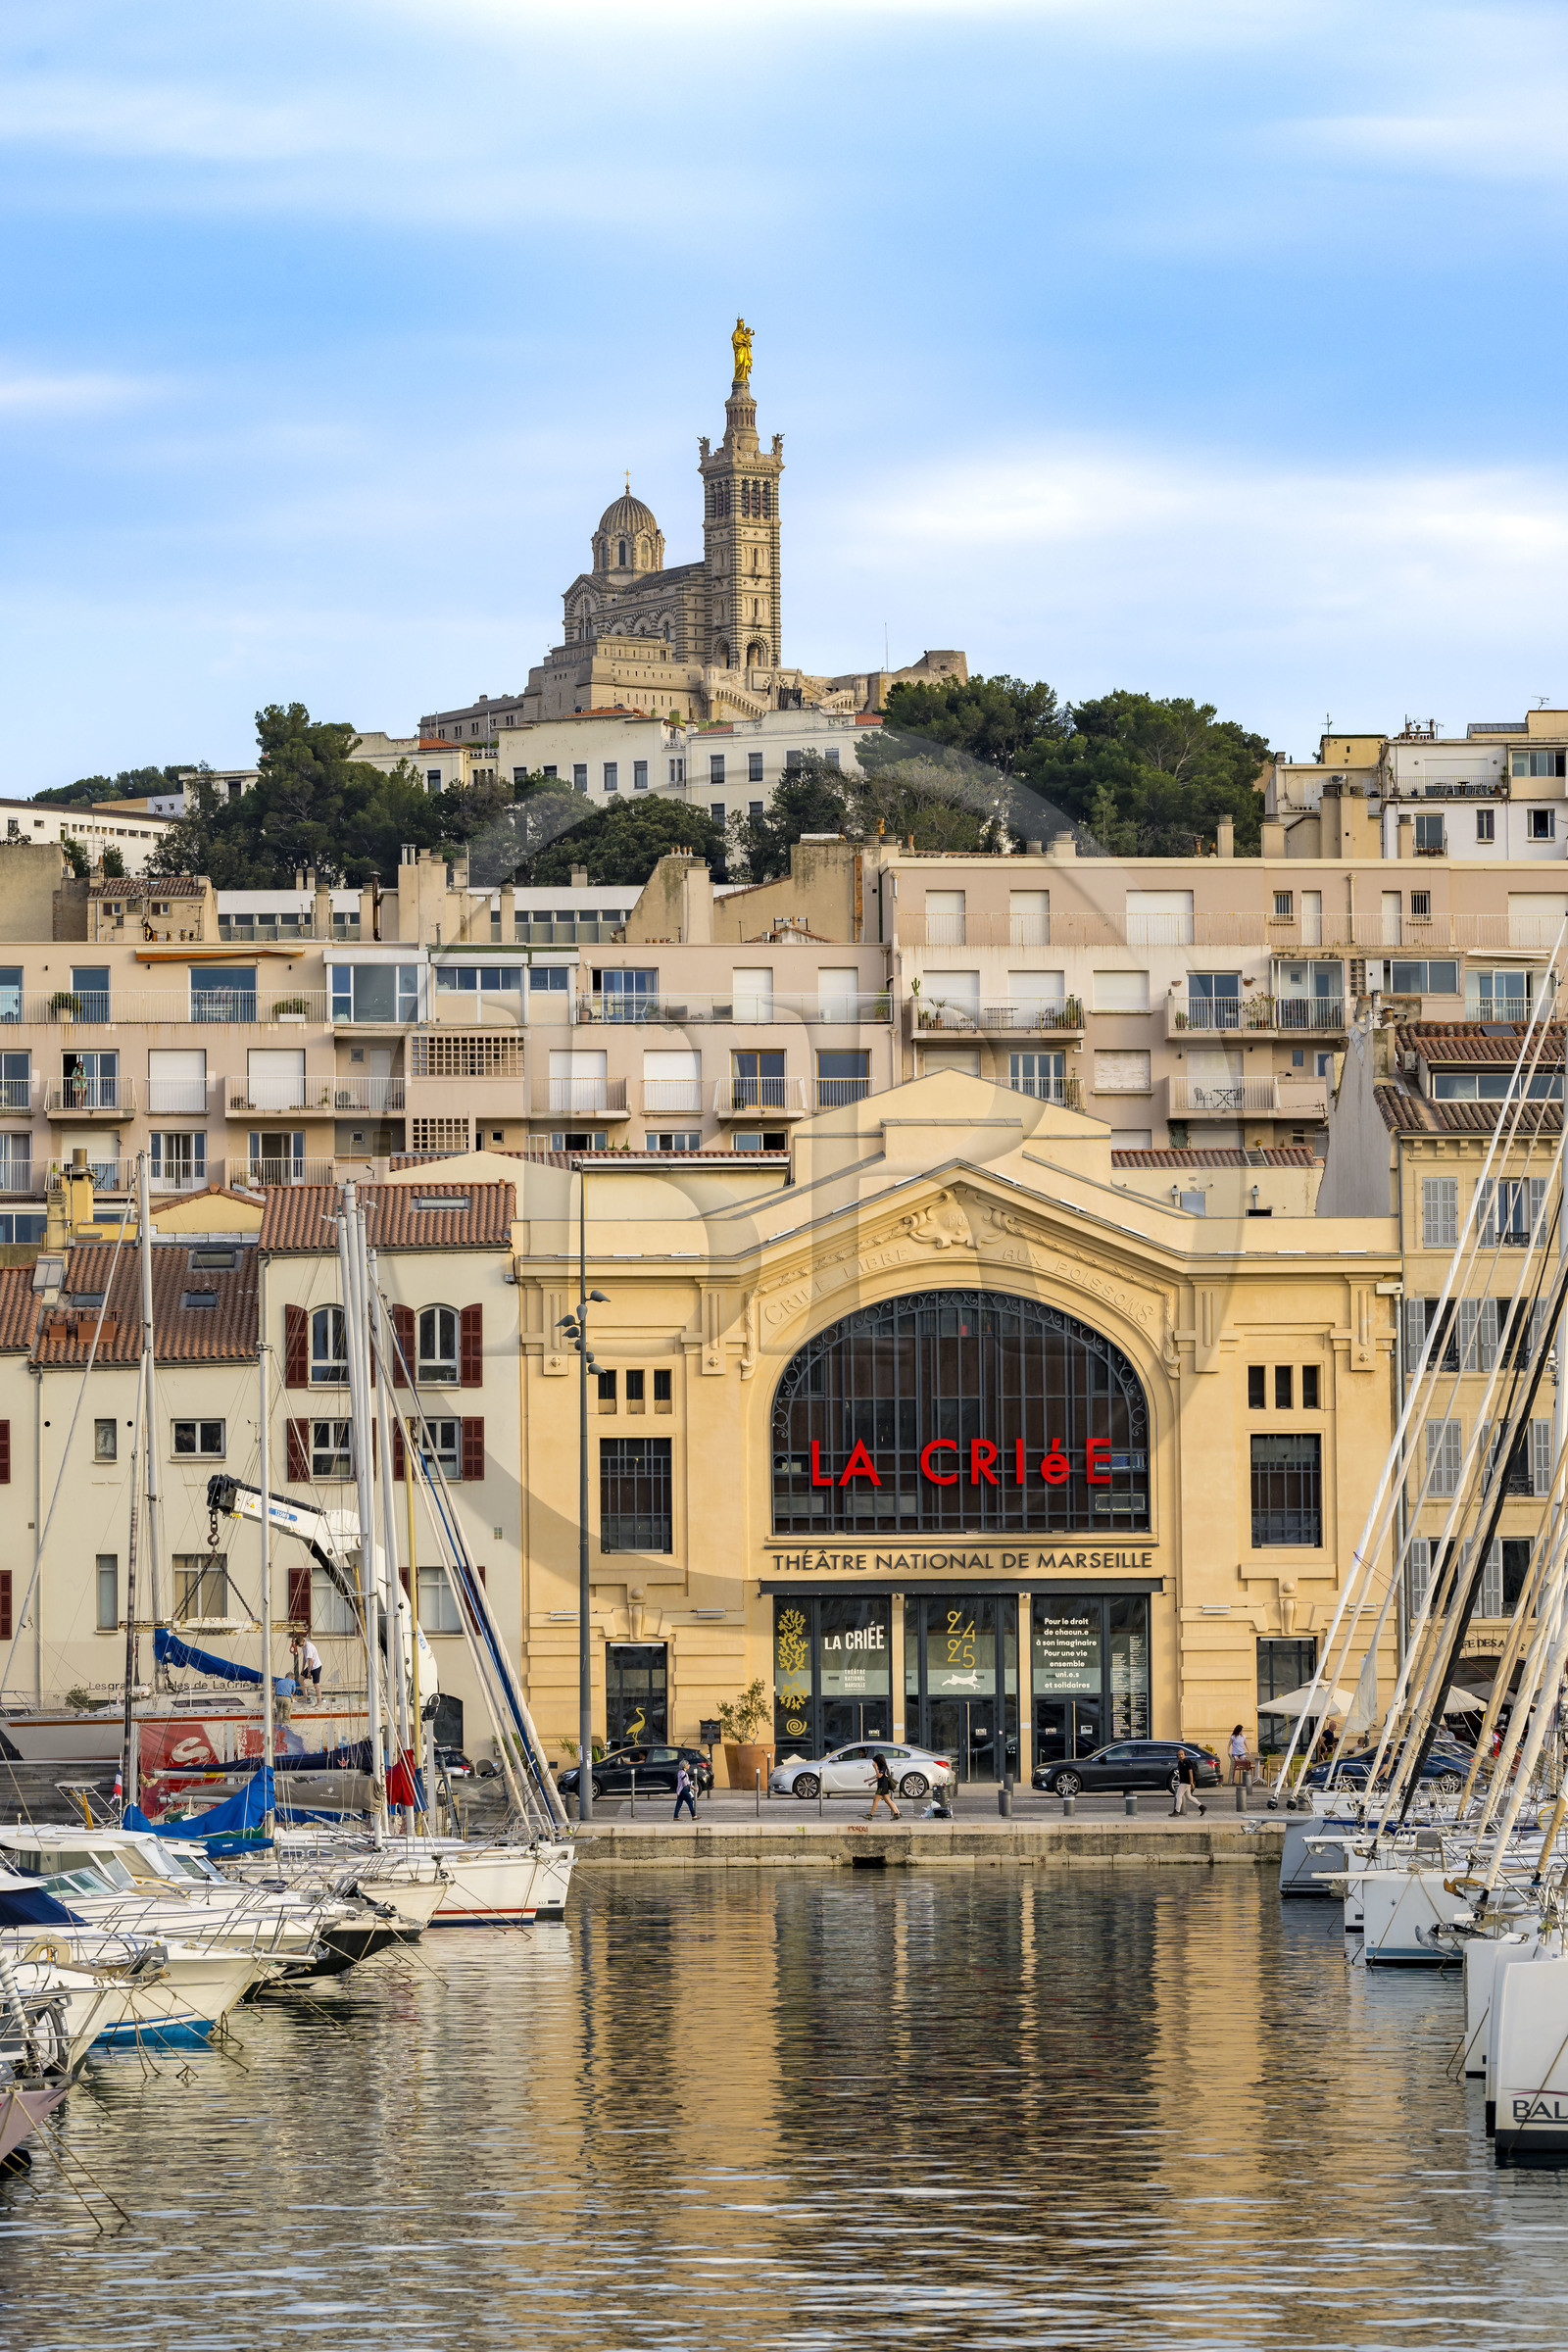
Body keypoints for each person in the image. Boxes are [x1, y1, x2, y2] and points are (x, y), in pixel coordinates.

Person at [1170, 1747, 1206, 1818]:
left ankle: (1176, 1811)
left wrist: (1191, 1782)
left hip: (1186, 1782)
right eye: (1179, 1755)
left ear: (1184, 1755)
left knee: (1178, 1795)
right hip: (1183, 1781)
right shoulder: (1180, 1763)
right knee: (1189, 1796)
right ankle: (1202, 1807)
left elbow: (1190, 1771)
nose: (1180, 1756)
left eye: (1182, 1754)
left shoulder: (1187, 1761)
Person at [866, 1749, 901, 1821]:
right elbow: (879, 1777)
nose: (874, 1762)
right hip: (883, 1785)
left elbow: (879, 1775)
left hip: (882, 1786)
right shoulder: (882, 1766)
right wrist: (871, 1782)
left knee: (875, 1800)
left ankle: (870, 1815)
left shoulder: (882, 1767)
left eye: (875, 1761)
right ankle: (896, 1814)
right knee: (888, 1800)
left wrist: (875, 1767)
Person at [673, 1757, 697, 1822]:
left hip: (680, 1790)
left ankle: (676, 1816)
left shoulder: (680, 1772)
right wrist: (692, 1787)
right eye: (688, 1764)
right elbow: (685, 1782)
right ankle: (694, 1816)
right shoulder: (683, 1773)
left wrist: (692, 1787)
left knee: (679, 1803)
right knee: (690, 1801)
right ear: (684, 1766)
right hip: (683, 1789)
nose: (689, 1765)